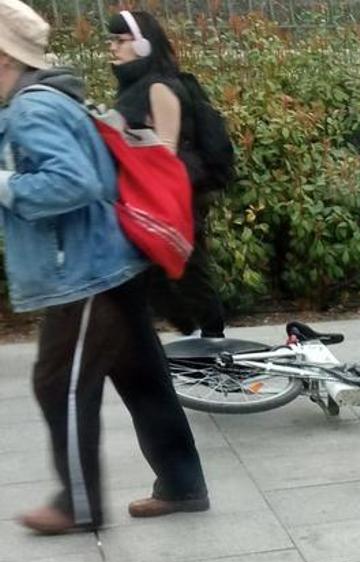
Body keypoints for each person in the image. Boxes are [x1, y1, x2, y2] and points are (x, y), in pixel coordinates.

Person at [0, 0, 209, 534]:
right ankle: (183, 484)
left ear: (5, 60)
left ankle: (78, 505)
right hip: (109, 260)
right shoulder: (49, 97)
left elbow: (72, 182)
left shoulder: (30, 109)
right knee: (141, 377)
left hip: (85, 270)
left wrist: (6, 187)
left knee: (59, 384)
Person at [108, 10, 227, 337]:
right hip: (153, 190)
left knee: (186, 267)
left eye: (121, 41)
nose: (113, 48)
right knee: (158, 269)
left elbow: (166, 148)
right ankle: (190, 334)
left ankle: (212, 339)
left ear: (144, 45)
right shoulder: (136, 87)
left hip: (174, 190)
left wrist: (125, 140)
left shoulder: (159, 87)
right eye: (112, 41)